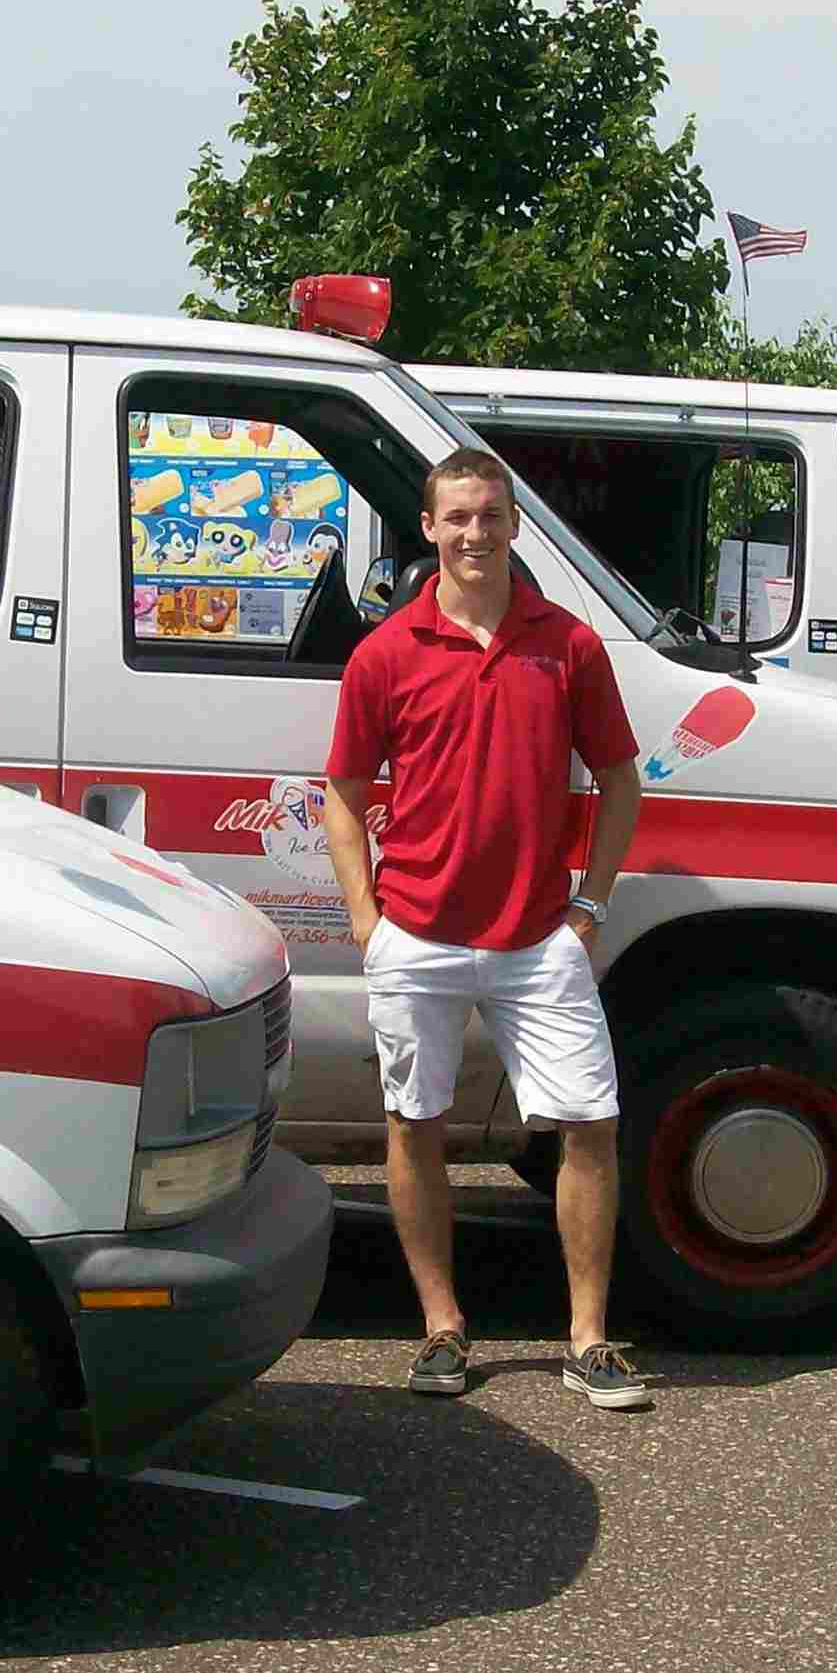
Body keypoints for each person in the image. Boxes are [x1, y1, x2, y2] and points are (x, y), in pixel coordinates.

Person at [323, 447, 650, 1410]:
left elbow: (620, 778)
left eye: (491, 515)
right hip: (415, 935)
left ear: (513, 525)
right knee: (413, 1125)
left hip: (539, 937)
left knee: (592, 1125)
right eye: (457, 516)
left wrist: (590, 905)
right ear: (427, 528)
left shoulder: (569, 645)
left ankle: (588, 1340)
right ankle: (442, 1330)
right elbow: (343, 795)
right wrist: (367, 922)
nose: (474, 533)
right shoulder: (387, 651)